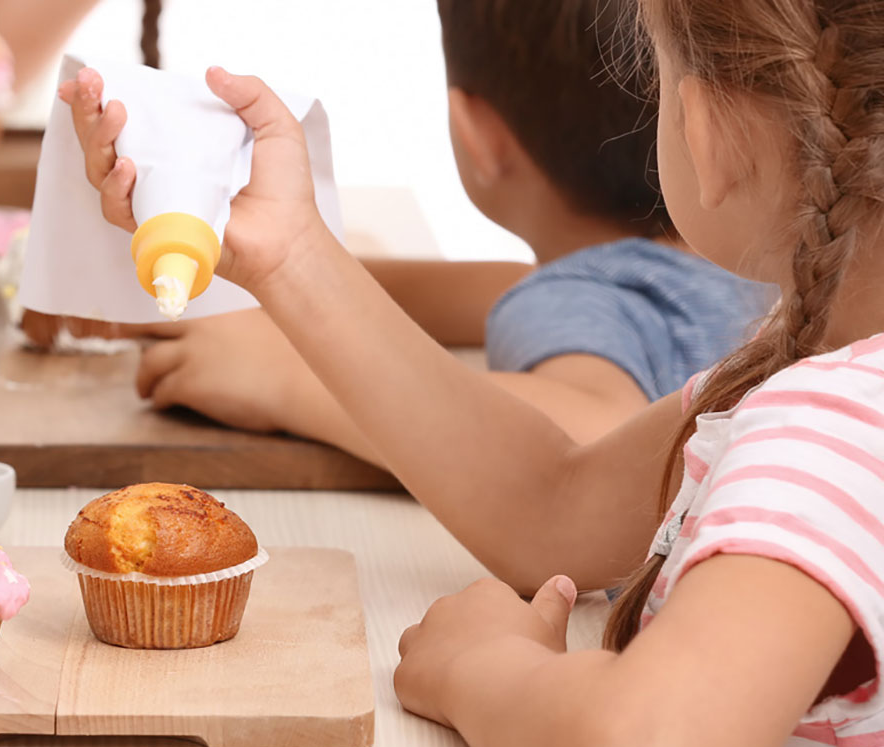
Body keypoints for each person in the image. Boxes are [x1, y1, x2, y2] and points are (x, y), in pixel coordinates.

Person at [73, 0, 884, 747]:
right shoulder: (816, 375)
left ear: (708, 135)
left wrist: (482, 668)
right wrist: (289, 254)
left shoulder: (829, 419)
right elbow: (554, 505)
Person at [55, 0, 772, 464]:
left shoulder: (570, 301)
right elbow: (501, 293)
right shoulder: (755, 267)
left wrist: (291, 378)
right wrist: (273, 283)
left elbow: (588, 435)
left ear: (478, 134)